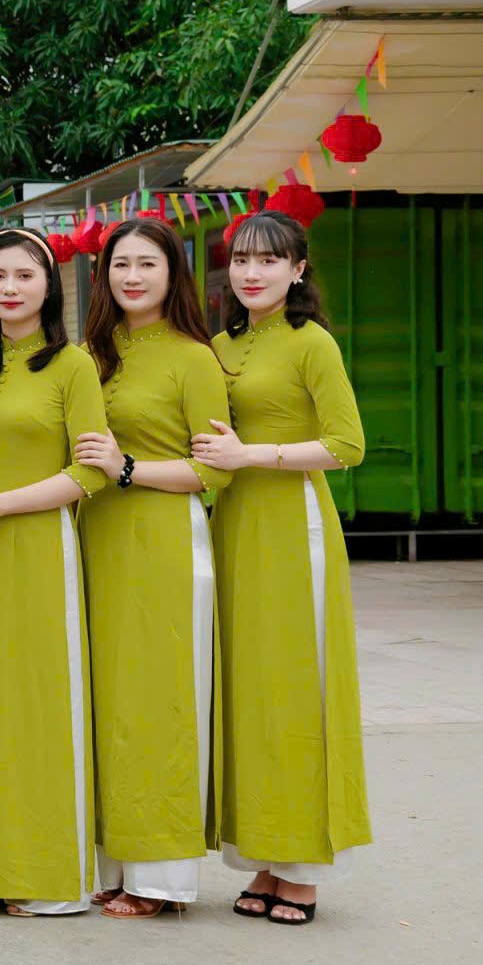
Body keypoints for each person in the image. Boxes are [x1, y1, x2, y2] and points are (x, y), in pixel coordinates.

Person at [193, 209, 369, 926]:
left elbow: (347, 444)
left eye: (268, 260)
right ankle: (263, 857)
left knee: (296, 691)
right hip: (232, 526)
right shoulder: (219, 345)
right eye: (240, 259)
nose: (251, 272)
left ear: (298, 270)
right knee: (249, 693)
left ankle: (301, 870)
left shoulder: (312, 342)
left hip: (294, 526)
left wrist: (252, 455)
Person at [0, 226, 109, 916]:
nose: (10, 287)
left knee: (38, 704)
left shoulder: (74, 366)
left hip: (38, 550)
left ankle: (46, 874)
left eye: (25, 275)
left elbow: (89, 472)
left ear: (49, 285)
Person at [72, 218, 231, 918]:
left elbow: (214, 471)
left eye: (147, 263)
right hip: (95, 539)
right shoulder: (91, 355)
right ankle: (115, 861)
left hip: (164, 540)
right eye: (120, 264)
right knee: (106, 704)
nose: (132, 277)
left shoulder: (195, 358)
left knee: (157, 703)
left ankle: (160, 877)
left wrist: (128, 467)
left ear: (173, 274)